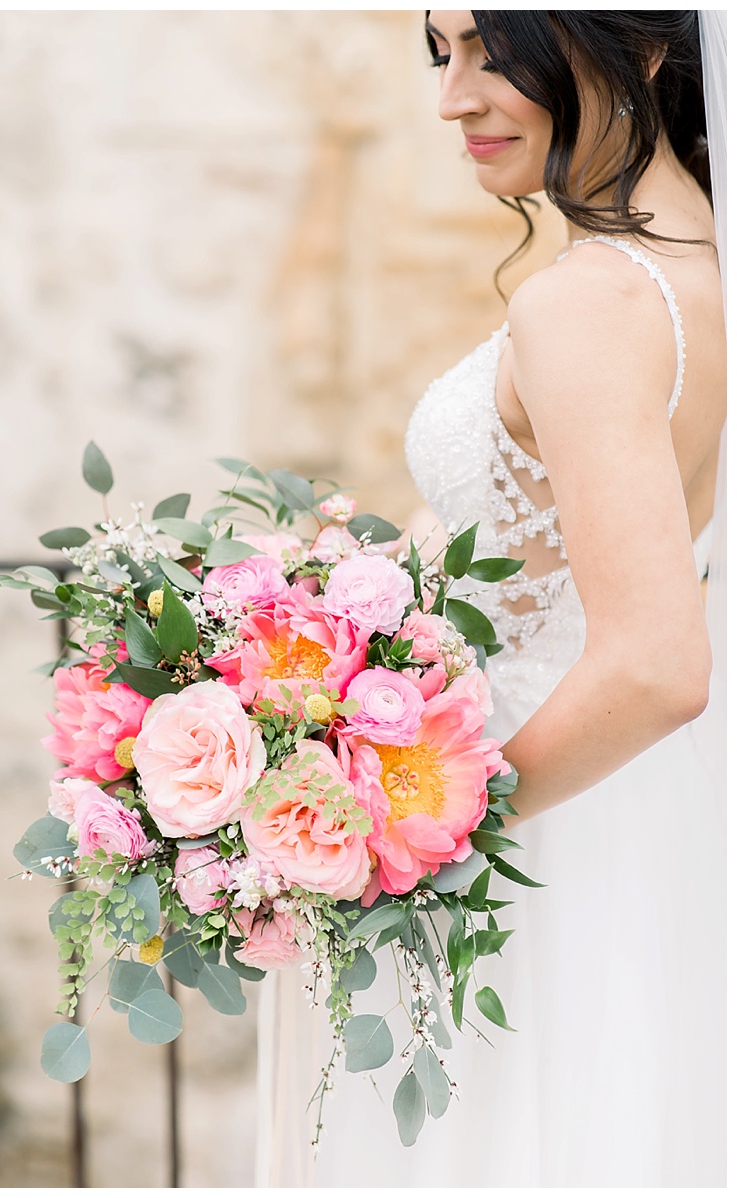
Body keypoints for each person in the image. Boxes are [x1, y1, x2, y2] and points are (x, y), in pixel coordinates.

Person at [261, 11, 725, 1186]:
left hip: (536, 842)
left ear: (648, 49)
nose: (452, 100)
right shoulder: (699, 268)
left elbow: (656, 664)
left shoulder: (589, 303)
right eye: (441, 53)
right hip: (637, 826)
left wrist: (408, 837)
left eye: (491, 52)